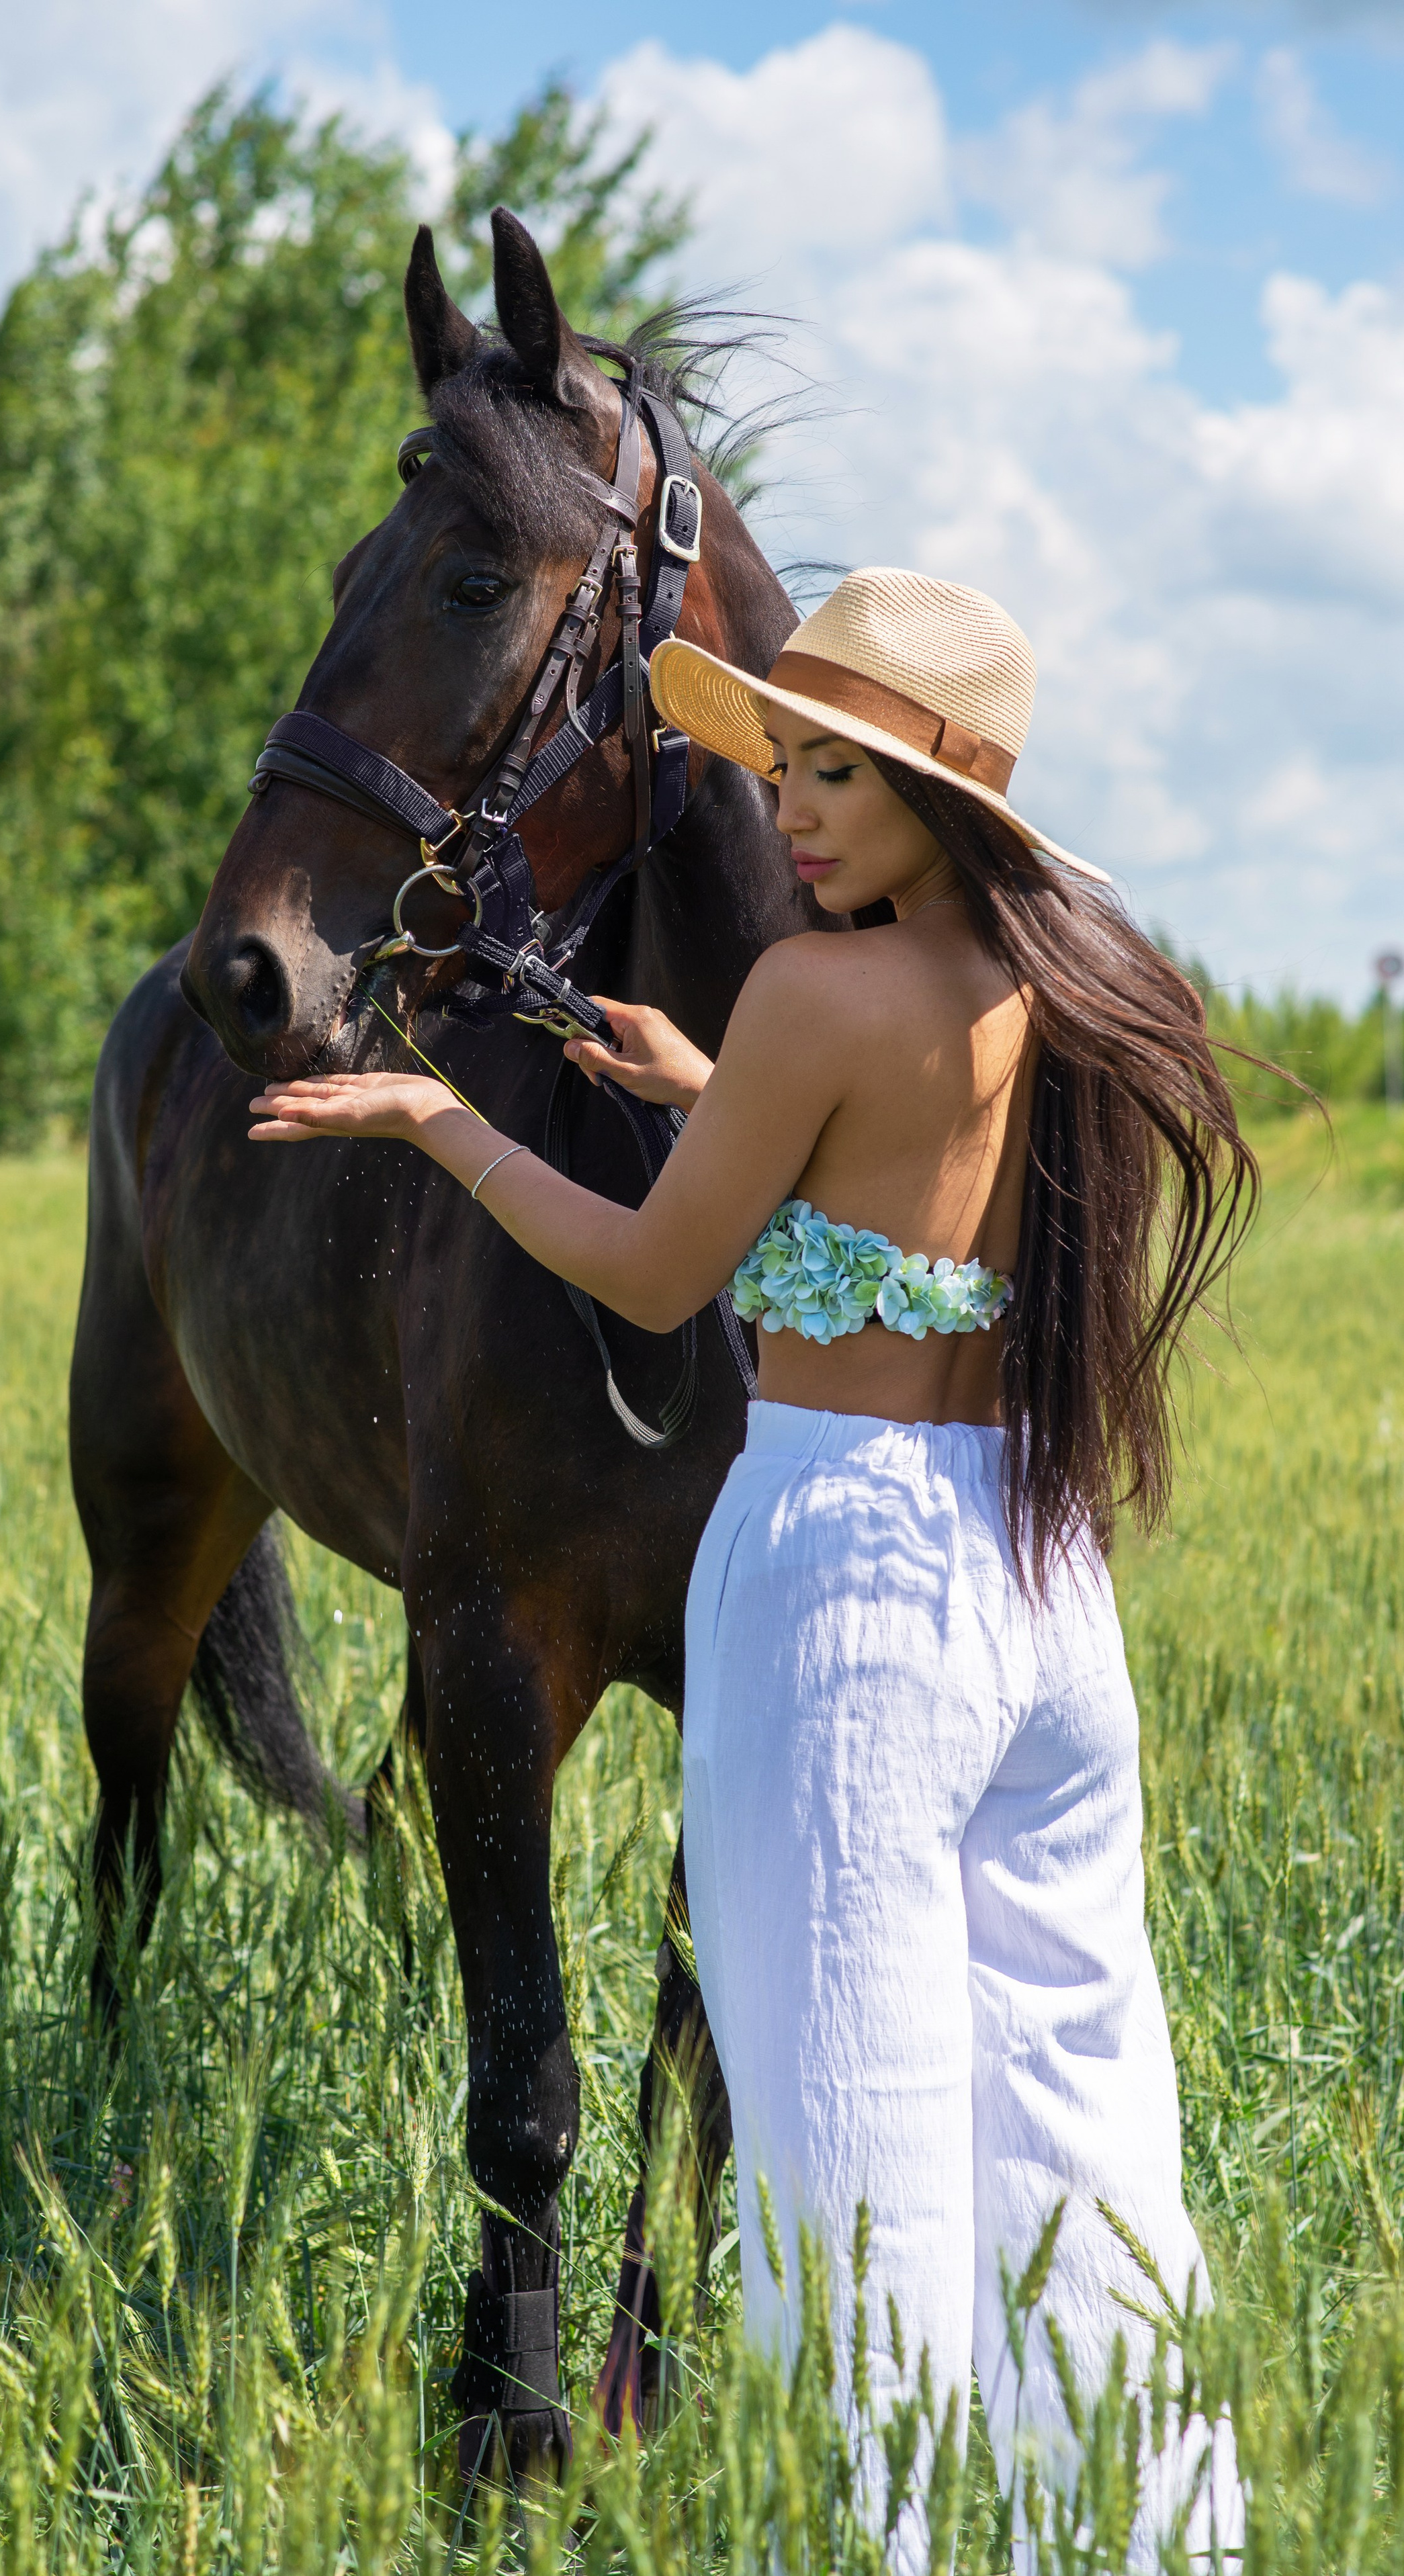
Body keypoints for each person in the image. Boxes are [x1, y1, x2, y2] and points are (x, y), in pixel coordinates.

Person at [247, 568, 1249, 2557]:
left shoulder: (811, 992)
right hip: (1041, 1588)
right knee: (1080, 2103)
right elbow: (898, 1242)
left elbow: (649, 1268)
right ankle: (1136, 2530)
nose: (789, 809)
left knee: (842, 2140)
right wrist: (720, 1098)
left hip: (850, 1585)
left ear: (939, 788)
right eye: (780, 766)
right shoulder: (1056, 979)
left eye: (834, 775)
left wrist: (439, 1118)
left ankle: (880, 2538)